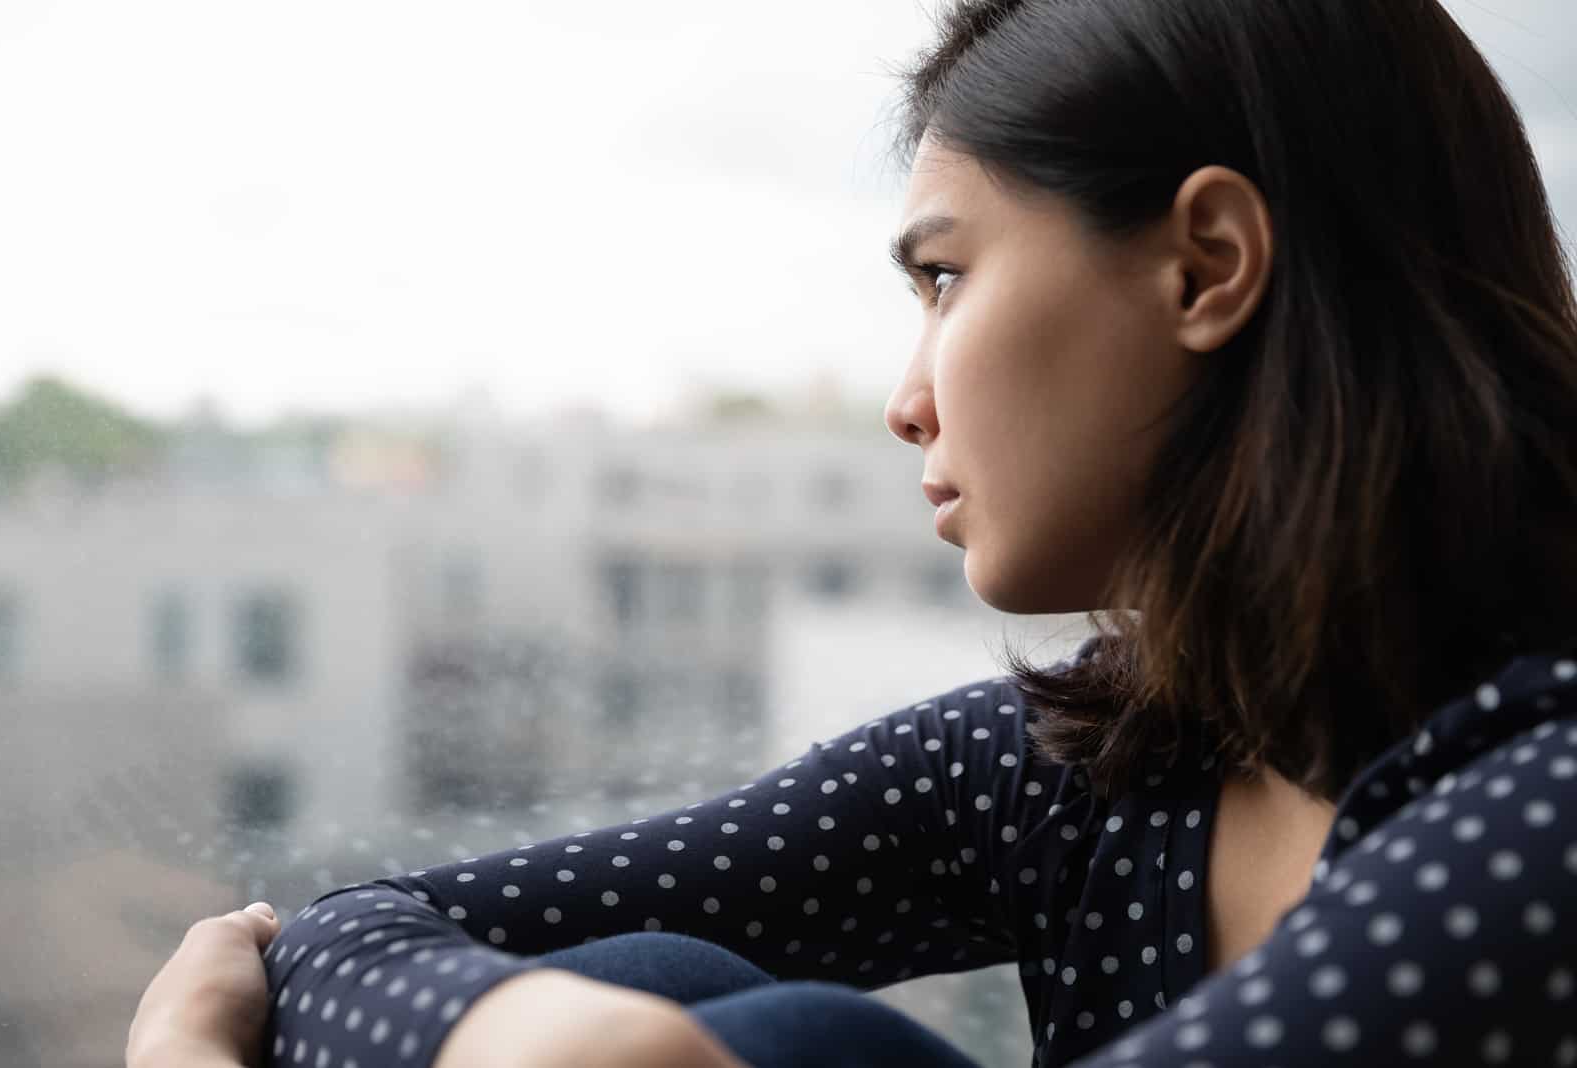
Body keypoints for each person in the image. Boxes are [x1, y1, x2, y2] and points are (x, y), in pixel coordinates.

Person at [126, 0, 1577, 1065]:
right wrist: (540, 1035)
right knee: (652, 979)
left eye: (945, 278)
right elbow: (332, 939)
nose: (906, 401)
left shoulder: (1548, 803)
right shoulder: (1103, 772)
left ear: (1205, 265)